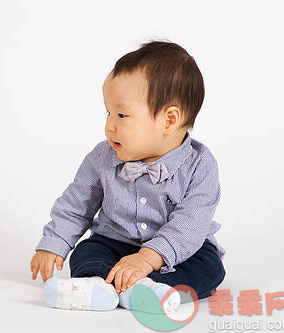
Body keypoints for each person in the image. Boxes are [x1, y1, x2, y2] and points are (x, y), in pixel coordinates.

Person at [30, 40, 226, 312]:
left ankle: (150, 287)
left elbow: (190, 224)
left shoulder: (200, 165)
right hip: (114, 242)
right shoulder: (102, 157)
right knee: (88, 252)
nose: (110, 125)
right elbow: (77, 203)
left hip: (175, 252)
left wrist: (148, 258)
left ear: (169, 120)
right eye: (108, 112)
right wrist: (54, 244)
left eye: (122, 114)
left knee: (209, 267)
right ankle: (94, 286)